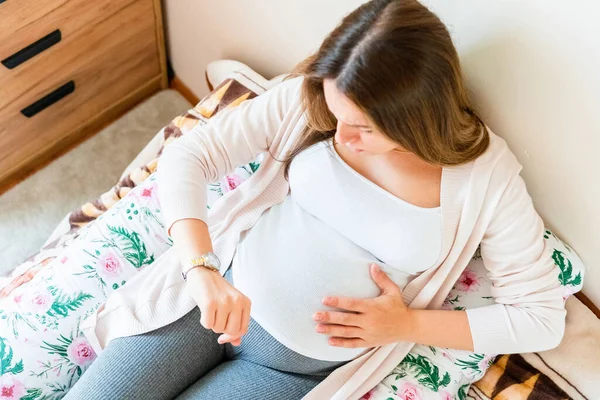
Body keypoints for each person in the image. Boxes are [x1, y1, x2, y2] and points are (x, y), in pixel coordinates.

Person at [64, 0, 566, 398]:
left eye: (363, 128)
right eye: (335, 113)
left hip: (289, 369)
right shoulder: (316, 96)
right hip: (208, 304)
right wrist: (201, 269)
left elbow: (540, 318)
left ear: (417, 117)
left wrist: (409, 324)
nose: (341, 136)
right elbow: (192, 155)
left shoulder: (486, 179)